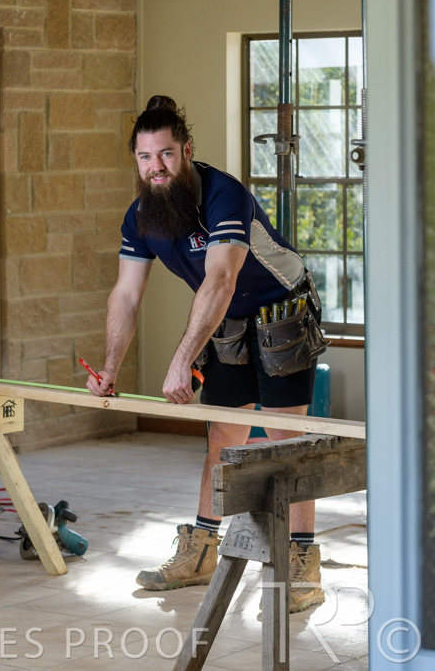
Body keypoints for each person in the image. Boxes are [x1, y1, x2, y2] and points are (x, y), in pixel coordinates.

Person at [86, 95, 325, 613]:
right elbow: (126, 295)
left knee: (285, 438)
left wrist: (181, 361)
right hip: (229, 320)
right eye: (145, 157)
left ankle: (303, 560)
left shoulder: (224, 195)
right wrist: (109, 368)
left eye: (166, 154)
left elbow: (219, 280)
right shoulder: (141, 216)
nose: (156, 167)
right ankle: (201, 551)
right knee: (223, 435)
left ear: (187, 150)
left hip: (281, 309)